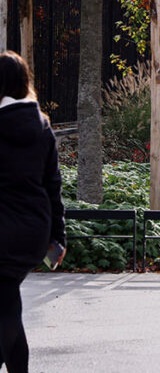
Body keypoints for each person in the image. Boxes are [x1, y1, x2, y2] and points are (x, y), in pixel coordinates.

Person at [0, 51, 64, 373]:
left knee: (6, 305)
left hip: (3, 232)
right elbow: (53, 184)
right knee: (6, 302)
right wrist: (59, 237)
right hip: (35, 231)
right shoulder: (41, 125)